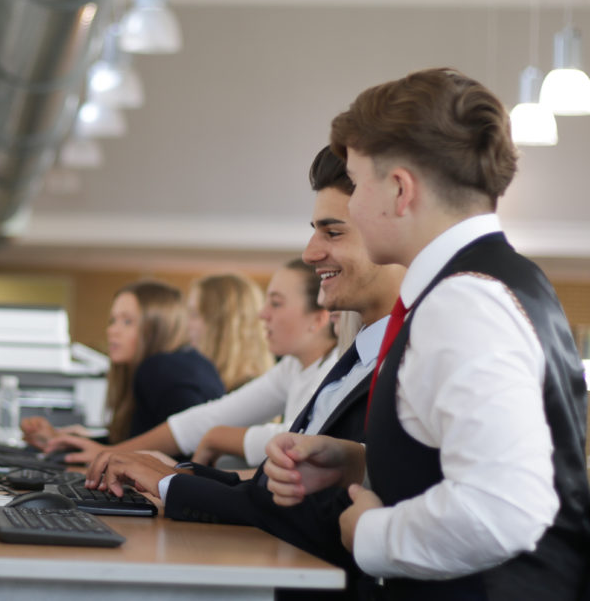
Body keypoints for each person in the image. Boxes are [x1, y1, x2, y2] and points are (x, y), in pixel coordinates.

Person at [265, 69, 590, 600]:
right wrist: (360, 460)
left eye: (357, 182)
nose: (353, 205)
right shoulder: (501, 279)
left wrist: (370, 533)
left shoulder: (462, 302)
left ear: (398, 189)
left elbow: (504, 507)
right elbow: (474, 452)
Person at [85, 147, 404, 593]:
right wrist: (179, 475)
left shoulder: (407, 359)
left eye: (332, 232)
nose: (311, 254)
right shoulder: (356, 358)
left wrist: (175, 485)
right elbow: (282, 484)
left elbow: (318, 510)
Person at [27, 259, 338, 466]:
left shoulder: (339, 371)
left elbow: (299, 443)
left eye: (276, 303)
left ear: (320, 316)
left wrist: (217, 438)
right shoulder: (292, 368)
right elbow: (206, 419)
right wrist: (105, 451)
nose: (262, 314)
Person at [23, 280, 224, 446]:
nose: (112, 330)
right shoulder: (187, 362)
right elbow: (138, 444)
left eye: (127, 322)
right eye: (113, 320)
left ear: (157, 327)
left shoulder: (160, 368)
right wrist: (68, 440)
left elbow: (180, 452)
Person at [187, 273, 274, 392]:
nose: (187, 324)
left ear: (221, 325)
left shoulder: (250, 391)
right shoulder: (210, 381)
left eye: (194, 315)